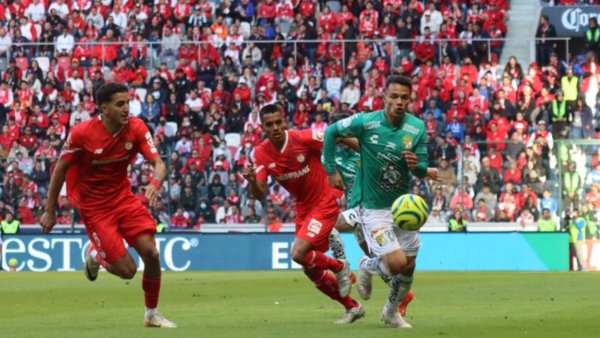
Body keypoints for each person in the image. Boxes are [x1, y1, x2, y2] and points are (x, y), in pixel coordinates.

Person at [40, 83, 176, 328]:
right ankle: (94, 253)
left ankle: (151, 314)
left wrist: (155, 182)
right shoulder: (82, 134)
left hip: (124, 199)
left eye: (128, 102)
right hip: (96, 208)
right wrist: (50, 211)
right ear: (104, 108)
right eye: (120, 104)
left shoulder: (136, 127)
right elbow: (60, 169)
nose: (127, 108)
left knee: (152, 254)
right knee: (127, 271)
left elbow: (159, 164)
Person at [323, 74, 430, 328]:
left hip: (402, 207)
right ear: (384, 98)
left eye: (404, 97)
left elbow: (422, 166)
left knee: (409, 265)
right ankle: (368, 265)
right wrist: (330, 170)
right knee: (396, 263)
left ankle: (391, 312)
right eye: (394, 96)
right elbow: (331, 131)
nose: (399, 102)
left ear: (410, 99)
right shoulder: (366, 122)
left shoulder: (417, 127)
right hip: (373, 209)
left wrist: (418, 167)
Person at [242, 104, 363, 324]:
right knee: (309, 268)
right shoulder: (260, 154)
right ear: (262, 128)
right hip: (304, 209)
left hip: (324, 203)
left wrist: (364, 151)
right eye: (270, 125)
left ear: (285, 121)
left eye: (279, 122)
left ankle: (340, 266)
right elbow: (260, 193)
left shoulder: (304, 138)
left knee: (297, 253)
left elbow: (334, 135)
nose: (276, 127)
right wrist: (251, 182)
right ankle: (352, 307)